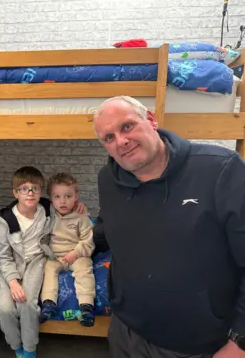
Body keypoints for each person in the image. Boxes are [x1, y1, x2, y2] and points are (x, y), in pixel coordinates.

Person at [92, 95, 245, 358]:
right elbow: (112, 229)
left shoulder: (220, 170)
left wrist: (240, 341)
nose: (121, 141)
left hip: (195, 344)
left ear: (151, 120)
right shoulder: (108, 180)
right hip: (125, 333)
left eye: (126, 126)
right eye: (109, 137)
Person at [0, 166, 55, 358]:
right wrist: (13, 282)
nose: (30, 193)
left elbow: (67, 206)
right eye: (24, 189)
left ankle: (30, 349)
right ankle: (16, 346)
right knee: (5, 309)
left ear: (41, 191)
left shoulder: (47, 209)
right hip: (12, 263)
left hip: (36, 261)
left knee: (27, 304)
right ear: (16, 192)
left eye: (35, 188)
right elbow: (3, 256)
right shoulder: (6, 219)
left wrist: (80, 208)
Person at [39, 172, 96, 327]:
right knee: (48, 270)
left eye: (68, 196)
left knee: (85, 269)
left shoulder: (81, 216)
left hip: (76, 254)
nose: (62, 201)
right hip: (54, 256)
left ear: (76, 196)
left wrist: (75, 253)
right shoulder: (47, 215)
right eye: (57, 197)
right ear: (51, 198)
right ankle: (48, 303)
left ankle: (86, 306)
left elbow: (88, 241)